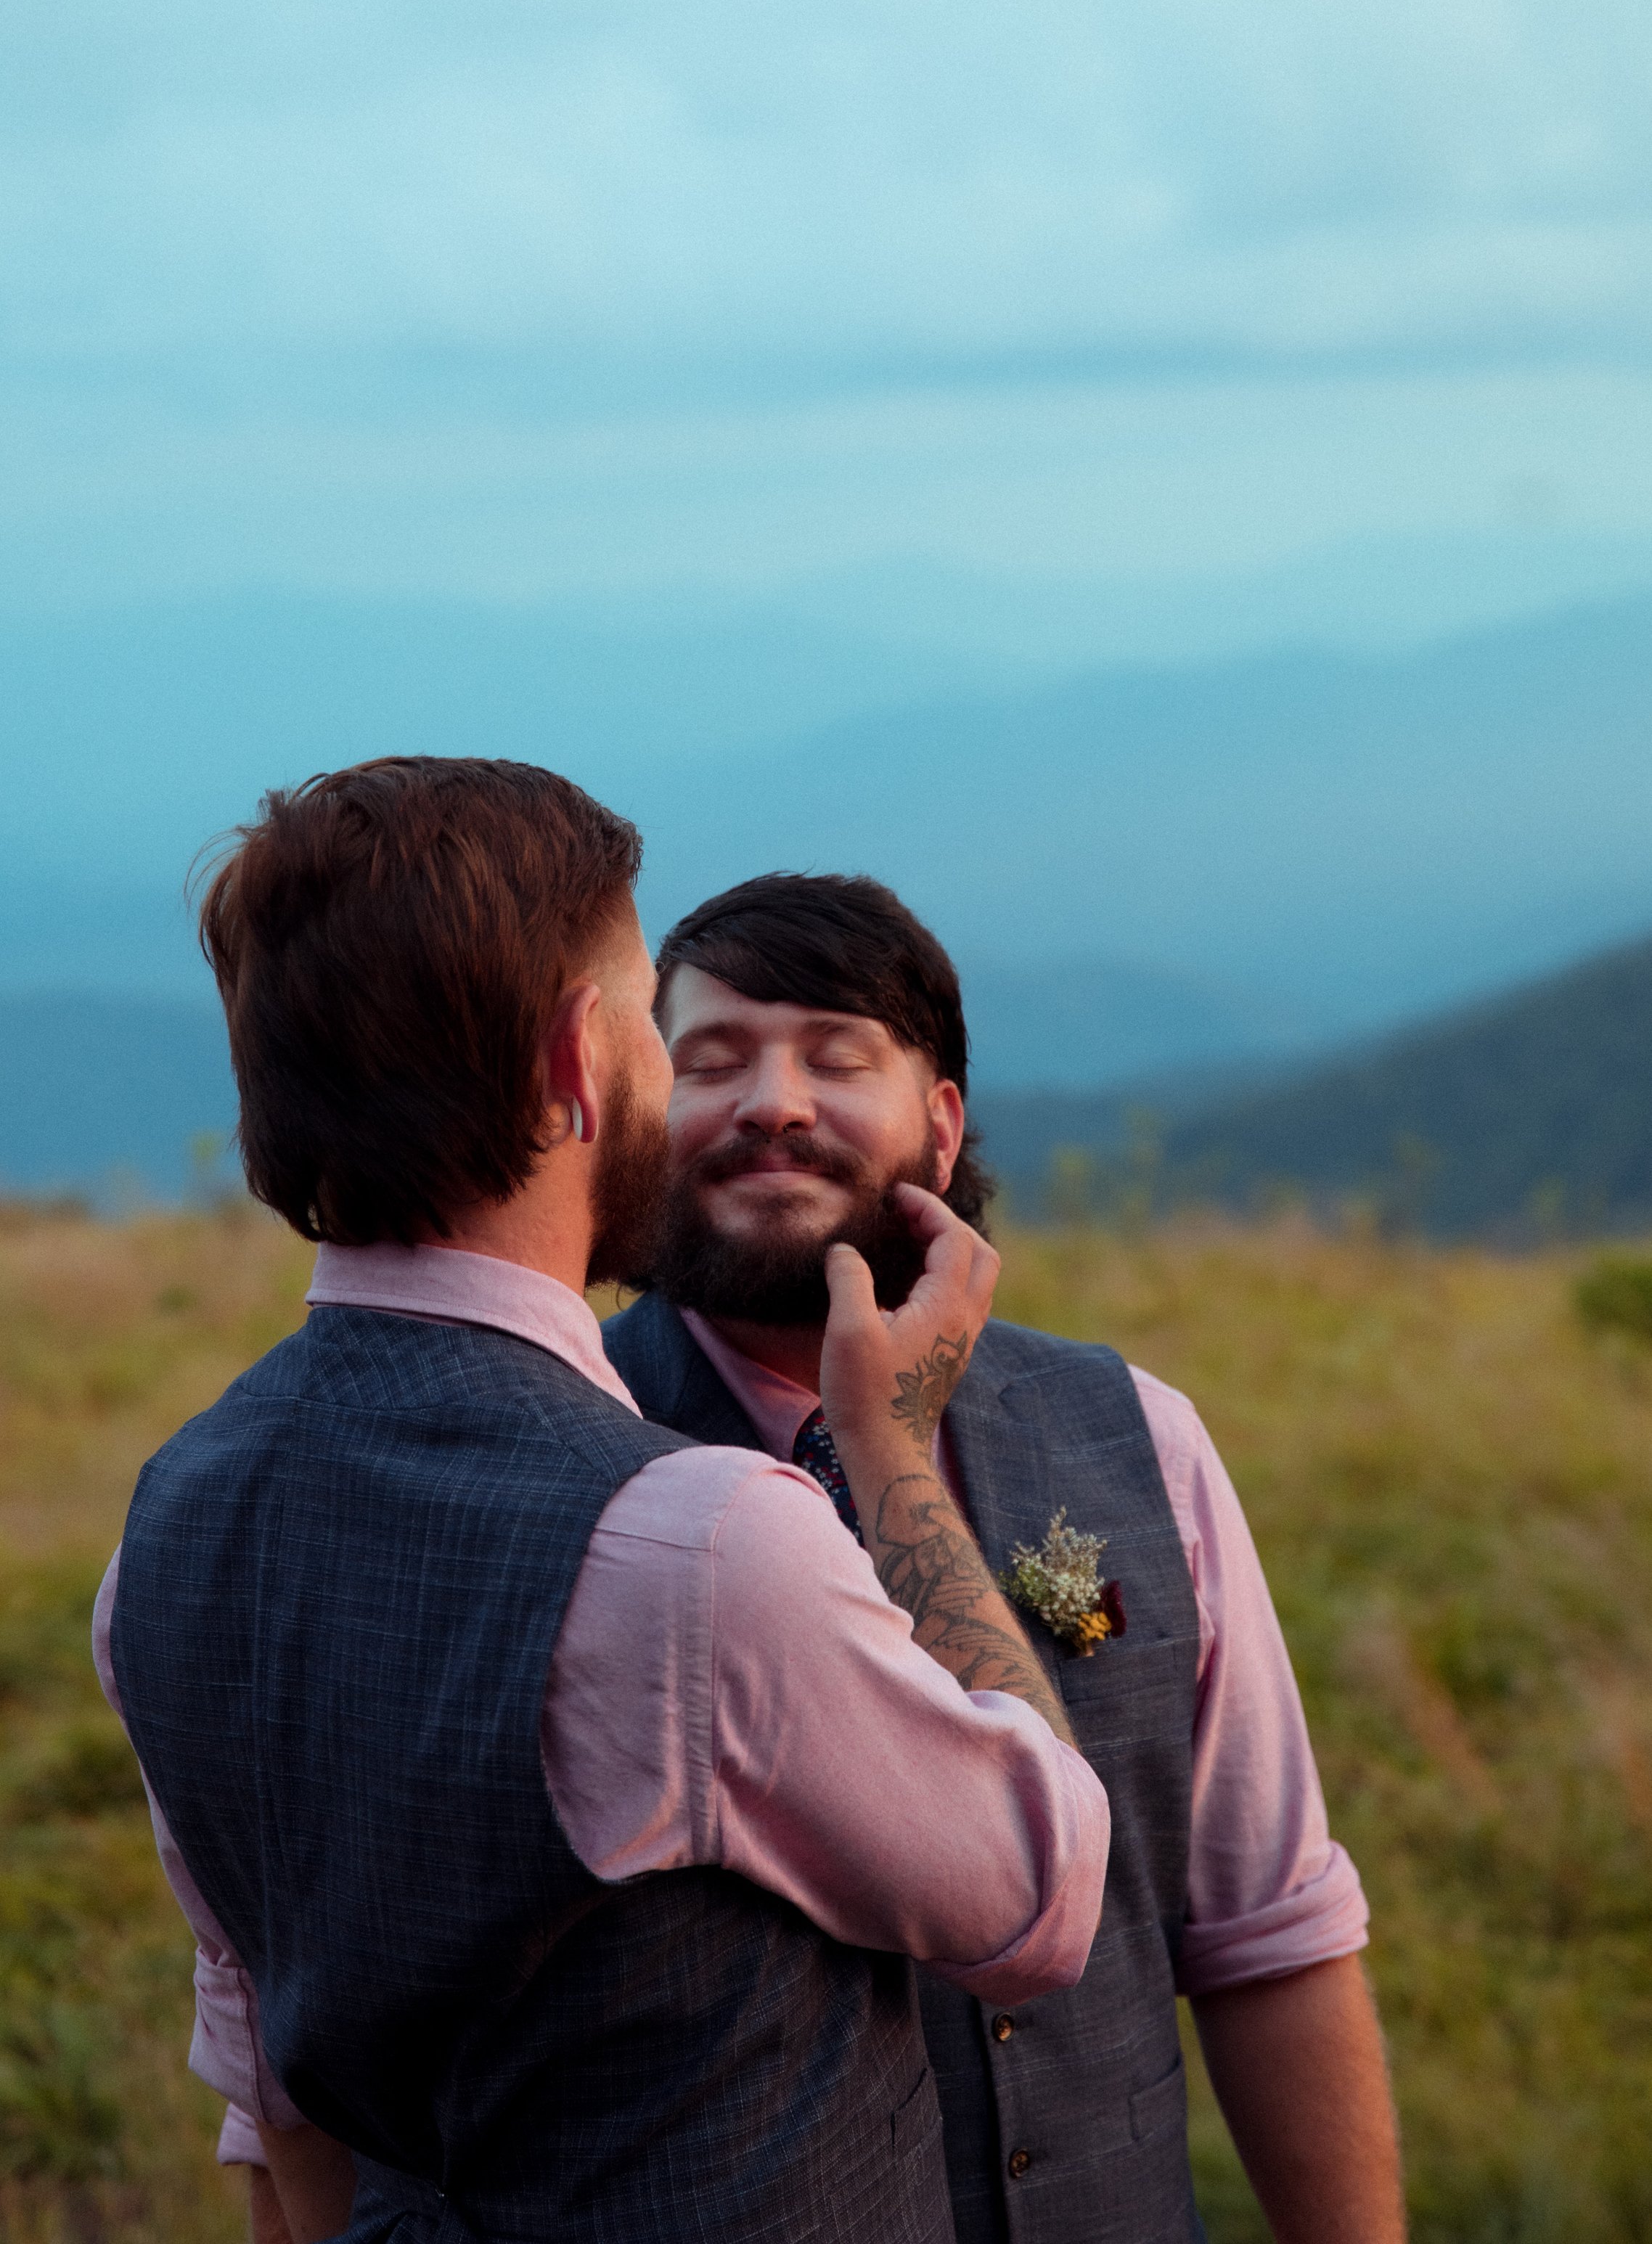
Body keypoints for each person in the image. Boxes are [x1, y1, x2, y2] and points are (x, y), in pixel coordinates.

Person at [96, 761, 1111, 2244]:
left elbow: (277, 2086)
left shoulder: (169, 1527)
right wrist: (889, 1452)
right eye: (649, 1016)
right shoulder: (690, 1545)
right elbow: (1039, 1890)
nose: (665, 1061)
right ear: (578, 1063)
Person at [599, 872, 1407, 2244]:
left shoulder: (1138, 1435)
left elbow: (1269, 1930)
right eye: (708, 1061)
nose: (773, 1100)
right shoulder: (569, 1454)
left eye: (837, 1055)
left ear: (942, 1118)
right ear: (633, 1120)